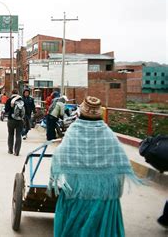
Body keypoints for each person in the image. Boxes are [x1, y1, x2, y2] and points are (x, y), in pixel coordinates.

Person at [48, 96, 139, 237]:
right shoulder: (108, 134)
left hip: (77, 195)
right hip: (104, 199)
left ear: (80, 114)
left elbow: (59, 157)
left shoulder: (73, 131)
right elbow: (120, 162)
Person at [5, 89, 25, 155]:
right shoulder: (22, 100)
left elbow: (6, 110)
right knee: (18, 135)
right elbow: (26, 111)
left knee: (11, 135)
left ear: (12, 93)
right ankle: (17, 151)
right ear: (18, 93)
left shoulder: (9, 100)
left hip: (11, 120)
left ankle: (10, 150)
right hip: (20, 121)